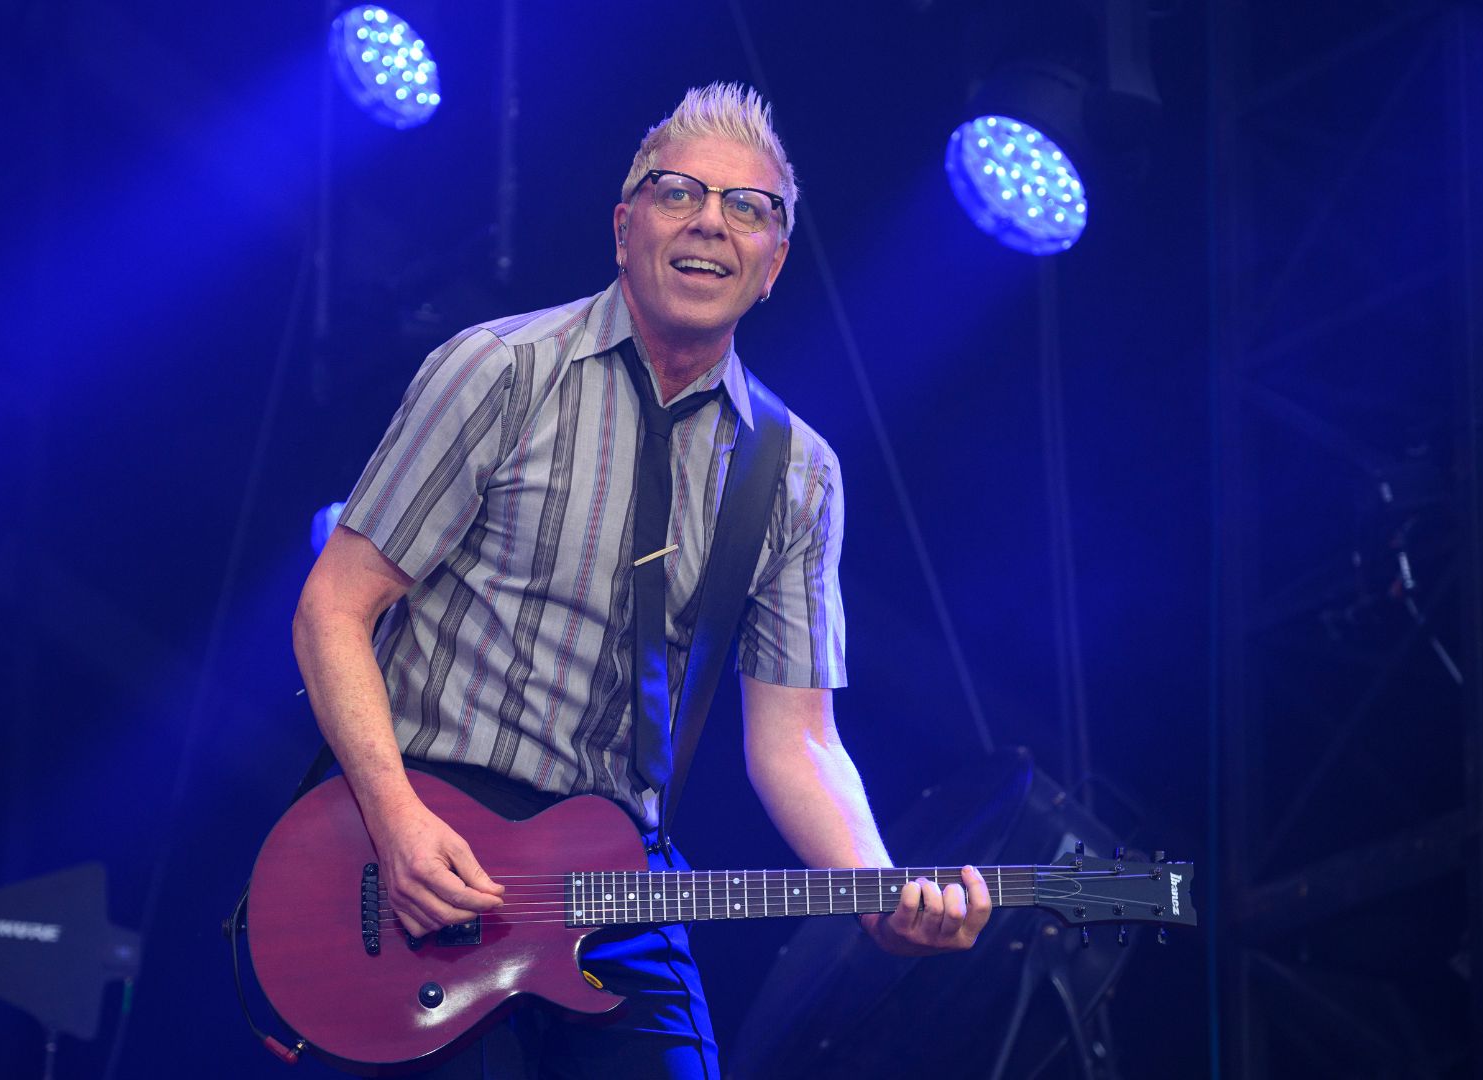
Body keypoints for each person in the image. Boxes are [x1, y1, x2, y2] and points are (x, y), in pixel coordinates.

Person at [292, 82, 991, 1078]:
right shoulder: (498, 370)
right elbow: (334, 607)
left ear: (773, 264)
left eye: (748, 208)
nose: (711, 222)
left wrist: (879, 891)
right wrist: (395, 819)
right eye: (679, 194)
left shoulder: (798, 474)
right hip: (426, 832)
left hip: (618, 872)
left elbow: (798, 740)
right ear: (625, 229)